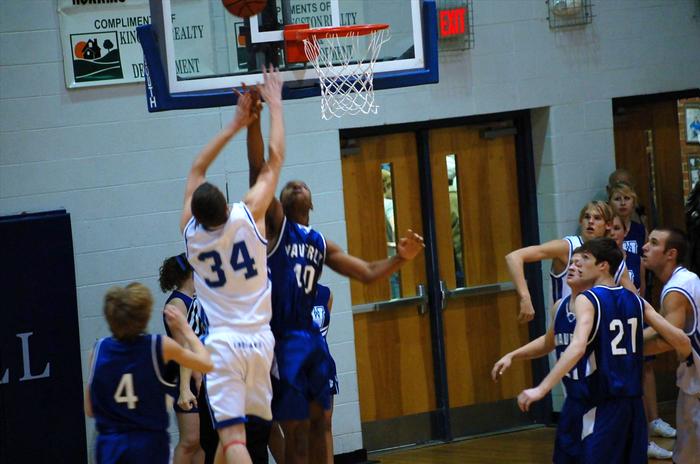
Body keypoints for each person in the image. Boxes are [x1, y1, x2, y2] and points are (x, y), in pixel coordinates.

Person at [247, 121, 424, 464]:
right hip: (283, 341)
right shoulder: (277, 231)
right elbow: (258, 170)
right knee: (296, 433)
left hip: (313, 341)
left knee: (321, 425)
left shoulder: (320, 242)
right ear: (278, 204)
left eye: (303, 184)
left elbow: (367, 273)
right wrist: (254, 124)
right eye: (290, 185)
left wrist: (399, 259)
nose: (296, 184)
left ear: (312, 204)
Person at [181, 66, 284, 464]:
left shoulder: (191, 234)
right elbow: (273, 161)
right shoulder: (249, 215)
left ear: (197, 213)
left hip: (223, 344)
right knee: (239, 443)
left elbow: (196, 168)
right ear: (225, 205)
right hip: (260, 343)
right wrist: (274, 104)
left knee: (234, 441)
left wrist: (234, 125)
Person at [516, 238, 690, 463]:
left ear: (603, 265)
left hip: (603, 401)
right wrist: (687, 356)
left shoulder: (589, 299)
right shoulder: (635, 300)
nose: (577, 265)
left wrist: (542, 388)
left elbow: (577, 347)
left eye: (584, 259)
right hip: (634, 403)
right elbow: (681, 341)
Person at [85, 283, 213, 464]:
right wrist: (185, 329)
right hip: (148, 445)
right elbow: (206, 364)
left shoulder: (98, 350)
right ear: (145, 315)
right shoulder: (159, 346)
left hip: (110, 446)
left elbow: (90, 409)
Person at [493, 251, 593, 462]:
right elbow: (549, 342)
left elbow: (579, 348)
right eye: (571, 263)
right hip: (573, 399)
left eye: (579, 264)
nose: (572, 267)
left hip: (596, 398)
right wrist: (513, 355)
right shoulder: (560, 306)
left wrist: (542, 389)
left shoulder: (597, 307)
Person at [608, 215, 673, 459]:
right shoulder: (597, 263)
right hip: (610, 336)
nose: (613, 232)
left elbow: (638, 296)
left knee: (635, 384)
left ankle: (645, 435)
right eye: (609, 228)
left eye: (617, 228)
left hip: (627, 332)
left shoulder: (627, 262)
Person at [506, 200, 633, 323]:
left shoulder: (612, 257)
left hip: (598, 330)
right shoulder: (568, 246)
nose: (590, 221)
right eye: (587, 217)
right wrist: (525, 297)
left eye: (597, 218)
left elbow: (635, 301)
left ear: (608, 225)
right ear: (580, 221)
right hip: (563, 329)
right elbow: (514, 257)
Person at [642, 228, 699, 464]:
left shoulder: (676, 290)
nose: (645, 247)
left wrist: (625, 351)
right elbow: (662, 327)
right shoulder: (686, 279)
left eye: (654, 243)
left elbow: (668, 340)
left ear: (670, 254)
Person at [268, 284, 338, 464]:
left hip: (320, 366)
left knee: (324, 425)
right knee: (290, 429)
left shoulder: (325, 294)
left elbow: (322, 333)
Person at [159, 253, 206, 464]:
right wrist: (195, 379)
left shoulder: (194, 299)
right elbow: (184, 348)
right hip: (185, 377)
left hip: (199, 373)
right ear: (190, 272)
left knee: (202, 441)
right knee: (190, 441)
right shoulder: (178, 303)